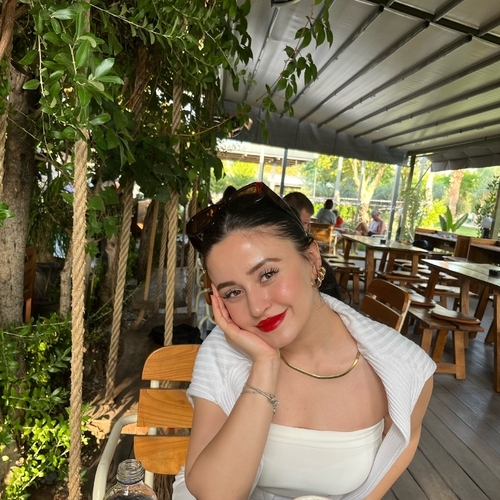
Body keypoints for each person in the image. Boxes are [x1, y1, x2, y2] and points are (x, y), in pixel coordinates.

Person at [172, 182, 435, 500]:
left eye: (267, 274)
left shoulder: (404, 369)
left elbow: (403, 443)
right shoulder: (223, 352)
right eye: (233, 292)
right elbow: (216, 494)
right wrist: (264, 365)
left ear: (311, 260)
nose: (257, 307)